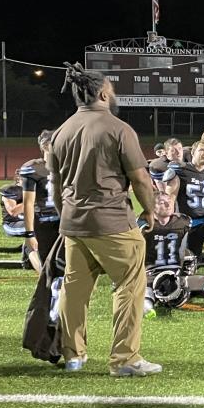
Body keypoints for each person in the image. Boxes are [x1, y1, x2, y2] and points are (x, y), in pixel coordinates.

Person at [46, 62, 160, 376]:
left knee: (74, 289)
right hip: (112, 222)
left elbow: (55, 185)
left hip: (73, 222)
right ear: (102, 92)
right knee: (130, 285)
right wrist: (149, 211)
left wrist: (65, 217)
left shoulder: (61, 131)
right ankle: (125, 359)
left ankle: (74, 356)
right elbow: (140, 179)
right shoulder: (118, 128)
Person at [20, 129, 61, 269]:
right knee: (48, 267)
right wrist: (30, 233)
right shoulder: (33, 168)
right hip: (44, 221)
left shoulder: (68, 164)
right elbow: (28, 203)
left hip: (65, 220)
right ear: (44, 146)